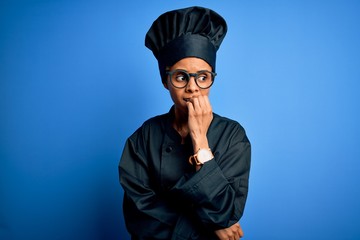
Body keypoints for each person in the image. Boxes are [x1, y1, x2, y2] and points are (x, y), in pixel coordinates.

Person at [119, 6, 251, 240]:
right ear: (165, 81)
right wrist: (211, 224)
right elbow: (140, 217)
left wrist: (200, 142)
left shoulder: (233, 136)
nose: (192, 87)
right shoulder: (143, 137)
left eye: (203, 77)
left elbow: (229, 211)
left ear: (211, 79)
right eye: (181, 77)